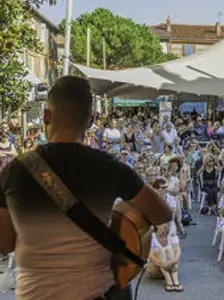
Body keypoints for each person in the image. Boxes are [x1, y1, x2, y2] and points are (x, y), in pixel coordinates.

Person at [0, 76, 173, 300]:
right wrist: (119, 213)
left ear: (46, 115)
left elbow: (4, 243)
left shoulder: (15, 171)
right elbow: (163, 212)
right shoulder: (110, 168)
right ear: (91, 121)